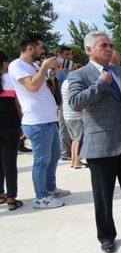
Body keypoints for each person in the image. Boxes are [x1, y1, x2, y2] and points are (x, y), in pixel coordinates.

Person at [67, 31, 121, 253]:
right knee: (103, 196)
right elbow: (74, 103)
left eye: (110, 45)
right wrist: (100, 84)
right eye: (103, 45)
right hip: (101, 145)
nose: (109, 49)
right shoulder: (80, 75)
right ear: (89, 50)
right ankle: (107, 237)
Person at [8, 33, 71, 208]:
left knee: (54, 157)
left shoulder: (33, 65)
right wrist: (43, 68)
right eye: (40, 47)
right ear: (30, 47)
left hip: (48, 119)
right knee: (42, 161)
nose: (43, 50)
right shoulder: (17, 65)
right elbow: (32, 87)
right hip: (36, 121)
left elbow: (43, 86)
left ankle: (50, 189)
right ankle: (41, 198)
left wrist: (50, 74)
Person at [0, 51, 22, 210]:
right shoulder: (9, 79)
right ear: (4, 64)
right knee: (10, 162)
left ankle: (0, 194)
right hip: (10, 125)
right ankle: (12, 199)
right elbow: (18, 104)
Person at [60, 75, 84, 169]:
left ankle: (73, 161)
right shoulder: (73, 84)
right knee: (79, 139)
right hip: (75, 115)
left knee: (74, 139)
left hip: (67, 115)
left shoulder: (65, 82)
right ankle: (77, 162)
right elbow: (77, 101)